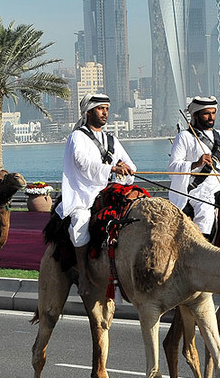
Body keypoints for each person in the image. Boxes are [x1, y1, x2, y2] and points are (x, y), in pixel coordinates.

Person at [56, 93, 136, 296]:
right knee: (81, 222)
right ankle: (83, 273)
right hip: (84, 194)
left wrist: (125, 168)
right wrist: (111, 169)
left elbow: (130, 165)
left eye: (107, 109)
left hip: (109, 191)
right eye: (101, 109)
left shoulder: (112, 139)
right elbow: (82, 163)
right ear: (89, 111)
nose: (105, 113)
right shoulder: (77, 136)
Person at [168, 96, 220, 239]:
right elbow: (173, 167)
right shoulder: (184, 137)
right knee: (206, 213)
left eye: (213, 113)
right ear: (196, 115)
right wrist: (196, 164)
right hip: (199, 188)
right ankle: (202, 247)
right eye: (206, 113)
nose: (211, 117)